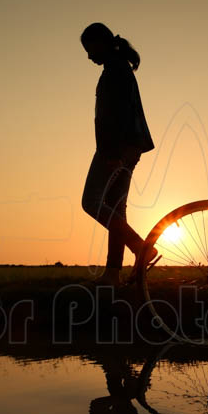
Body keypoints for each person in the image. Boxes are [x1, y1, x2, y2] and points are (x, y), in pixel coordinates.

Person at [80, 22, 156, 286]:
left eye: (90, 49)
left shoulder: (115, 71)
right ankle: (113, 273)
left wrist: (111, 152)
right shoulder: (119, 67)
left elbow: (114, 116)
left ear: (101, 43)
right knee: (115, 209)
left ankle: (140, 247)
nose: (88, 56)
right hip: (127, 146)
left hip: (115, 147)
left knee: (91, 202)